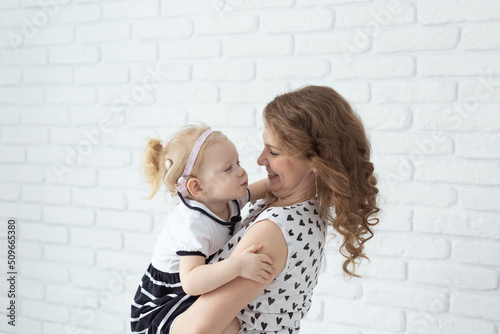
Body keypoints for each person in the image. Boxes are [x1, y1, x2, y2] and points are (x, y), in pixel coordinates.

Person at [170, 85, 380, 334]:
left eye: (274, 151)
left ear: (316, 162)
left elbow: (193, 331)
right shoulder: (298, 207)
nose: (260, 159)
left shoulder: (275, 228)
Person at [131, 124, 273, 334]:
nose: (241, 171)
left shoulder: (227, 198)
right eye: (228, 168)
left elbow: (269, 187)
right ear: (197, 187)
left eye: (238, 162)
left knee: (234, 324)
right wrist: (238, 266)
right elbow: (191, 281)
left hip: (193, 290)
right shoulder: (192, 222)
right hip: (166, 300)